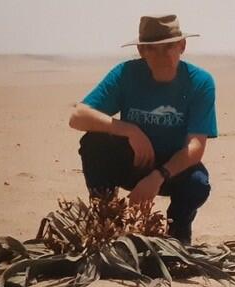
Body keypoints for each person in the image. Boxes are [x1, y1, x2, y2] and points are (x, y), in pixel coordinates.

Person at [68, 14, 217, 244]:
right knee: (94, 143)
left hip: (171, 168)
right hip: (133, 161)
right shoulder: (126, 74)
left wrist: (159, 176)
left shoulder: (199, 81)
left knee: (198, 183)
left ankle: (177, 234)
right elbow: (78, 116)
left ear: (182, 46)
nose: (161, 55)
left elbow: (195, 147)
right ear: (141, 51)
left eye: (168, 47)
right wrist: (129, 130)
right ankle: (107, 221)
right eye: (152, 49)